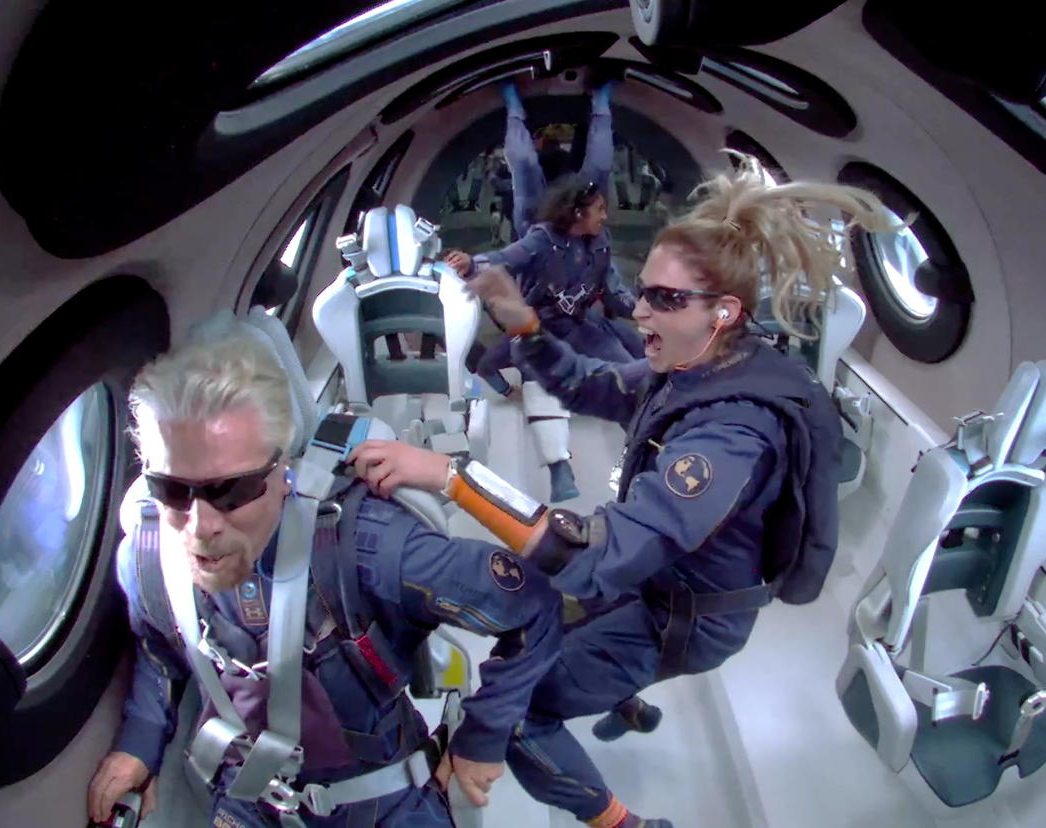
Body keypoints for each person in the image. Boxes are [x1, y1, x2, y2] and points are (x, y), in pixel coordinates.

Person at [348, 152, 895, 827]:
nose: (638, 311)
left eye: (663, 300)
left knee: (518, 713)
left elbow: (599, 555)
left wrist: (452, 480)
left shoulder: (732, 432)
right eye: (644, 291)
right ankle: (622, 693)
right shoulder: (696, 367)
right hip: (656, 580)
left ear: (724, 311)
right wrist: (525, 327)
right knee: (532, 614)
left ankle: (625, 824)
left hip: (685, 618)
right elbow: (592, 384)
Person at [86, 318, 563, 827]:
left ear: (280, 472)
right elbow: (160, 651)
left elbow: (533, 609)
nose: (200, 528)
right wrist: (138, 743)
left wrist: (482, 737)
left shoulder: (373, 550)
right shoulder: (149, 557)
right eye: (173, 490)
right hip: (246, 803)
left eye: (231, 492)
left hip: (382, 803)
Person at [444, 174, 642, 504]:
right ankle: (560, 471)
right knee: (505, 368)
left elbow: (614, 289)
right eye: (599, 210)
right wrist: (469, 266)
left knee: (628, 383)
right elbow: (504, 258)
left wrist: (641, 310)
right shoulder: (542, 240)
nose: (605, 216)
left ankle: (640, 452)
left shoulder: (600, 242)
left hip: (581, 325)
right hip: (540, 325)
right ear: (578, 213)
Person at [497, 81, 615, 241]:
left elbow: (504, 258)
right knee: (600, 166)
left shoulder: (530, 247)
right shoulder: (596, 251)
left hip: (537, 223)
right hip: (580, 220)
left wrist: (472, 264)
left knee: (524, 164)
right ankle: (601, 102)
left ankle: (514, 109)